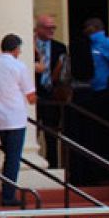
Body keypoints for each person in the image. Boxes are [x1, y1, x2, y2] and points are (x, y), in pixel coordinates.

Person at [0, 33, 37, 205]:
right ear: (16, 49)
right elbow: (30, 95)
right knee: (13, 158)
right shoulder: (18, 66)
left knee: (8, 156)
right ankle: (8, 195)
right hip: (16, 117)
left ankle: (7, 192)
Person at [32, 14, 70, 167]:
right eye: (48, 28)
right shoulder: (29, 46)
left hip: (52, 95)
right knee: (32, 132)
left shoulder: (60, 47)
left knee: (52, 134)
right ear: (38, 28)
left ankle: (52, 165)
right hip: (33, 94)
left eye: (53, 27)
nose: (51, 31)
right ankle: (32, 164)